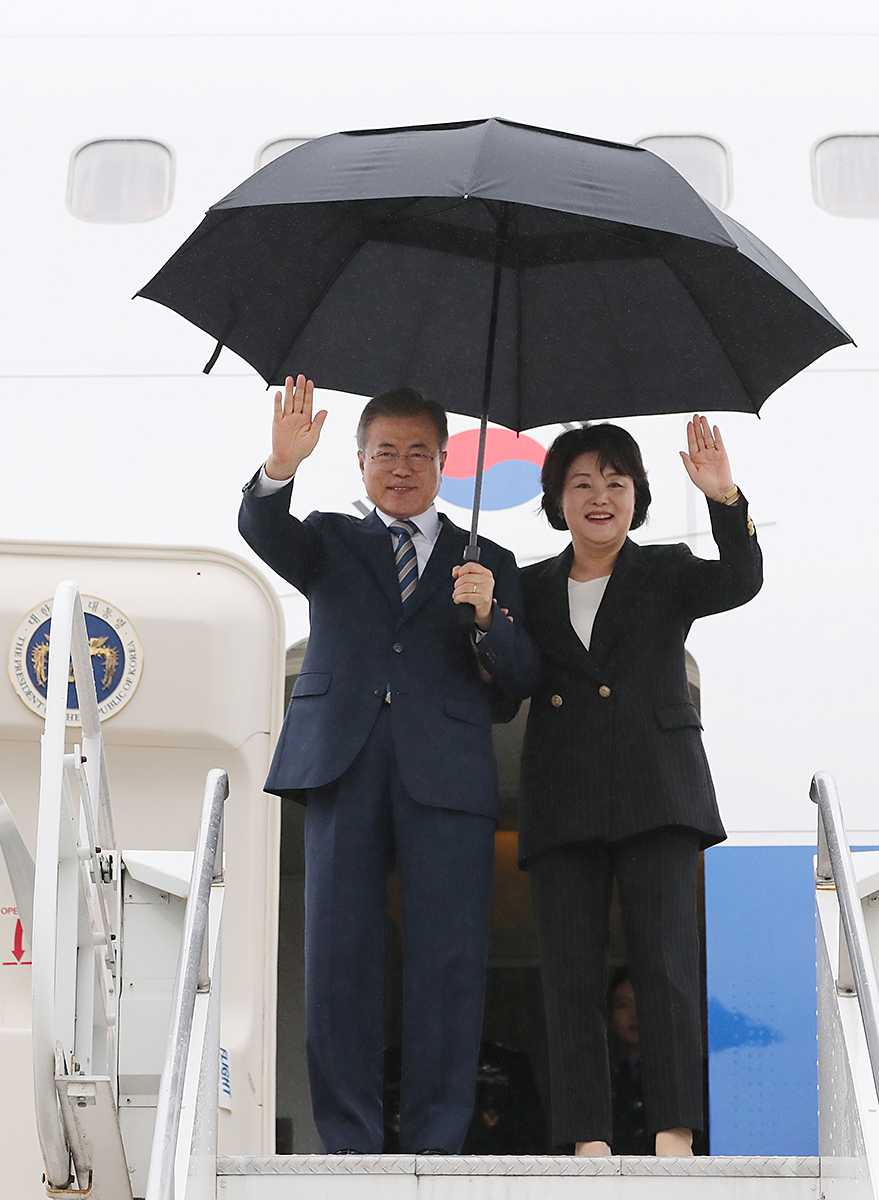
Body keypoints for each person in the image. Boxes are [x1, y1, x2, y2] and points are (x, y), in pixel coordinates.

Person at [238, 374, 539, 1155]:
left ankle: (438, 1140)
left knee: (449, 961)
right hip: (343, 761)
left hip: (447, 774)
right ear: (360, 460)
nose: (400, 467)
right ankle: (349, 1140)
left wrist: (487, 616)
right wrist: (279, 466)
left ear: (444, 462)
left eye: (416, 453)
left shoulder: (490, 558)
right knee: (339, 956)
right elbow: (264, 530)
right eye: (383, 453)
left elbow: (519, 679)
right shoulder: (329, 538)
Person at [517, 415, 762, 1157]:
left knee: (665, 967)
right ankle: (586, 1137)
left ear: (637, 497)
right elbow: (499, 681)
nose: (599, 497)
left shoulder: (666, 570)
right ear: (555, 498)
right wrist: (477, 619)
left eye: (614, 483)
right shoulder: (525, 588)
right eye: (581, 483)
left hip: (657, 790)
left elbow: (740, 579)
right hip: (562, 796)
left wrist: (724, 497)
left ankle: (673, 1132)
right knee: (568, 974)